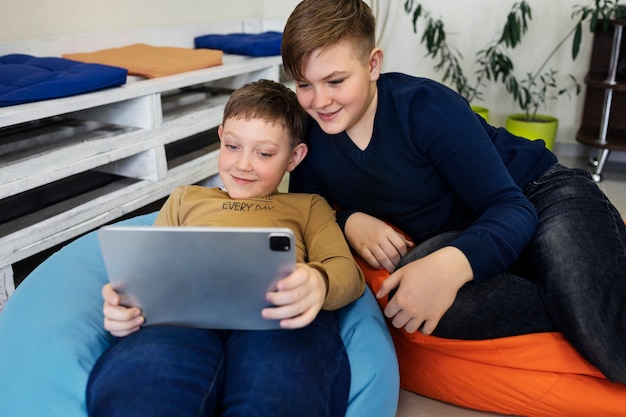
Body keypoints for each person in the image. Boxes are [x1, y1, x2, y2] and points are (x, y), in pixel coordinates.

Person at [281, 0, 626, 385]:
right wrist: (349, 221)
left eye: (335, 81)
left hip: (538, 196)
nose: (320, 100)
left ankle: (585, 292)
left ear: (373, 64)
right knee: (411, 298)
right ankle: (573, 289)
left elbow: (511, 207)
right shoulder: (312, 140)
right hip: (469, 230)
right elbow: (306, 216)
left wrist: (455, 264)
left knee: (606, 336)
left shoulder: (426, 108)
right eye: (304, 84)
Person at [86, 79, 365, 417]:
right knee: (145, 386)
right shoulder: (186, 198)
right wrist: (124, 306)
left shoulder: (308, 206)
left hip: (275, 319)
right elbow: (148, 272)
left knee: (277, 392)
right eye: (233, 147)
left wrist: (317, 282)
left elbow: (347, 272)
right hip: (182, 318)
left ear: (294, 157)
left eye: (263, 153)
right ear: (221, 138)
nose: (243, 165)